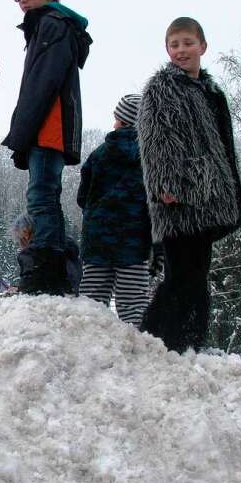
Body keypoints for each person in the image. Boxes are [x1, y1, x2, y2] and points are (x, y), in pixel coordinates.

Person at [137, 17, 241, 352]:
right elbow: (155, 139)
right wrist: (164, 185)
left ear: (203, 46)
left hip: (208, 198)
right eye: (174, 44)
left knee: (197, 277)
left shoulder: (211, 92)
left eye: (187, 43)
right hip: (178, 198)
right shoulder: (162, 88)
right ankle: (157, 342)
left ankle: (188, 343)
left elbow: (224, 147)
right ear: (167, 50)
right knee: (182, 277)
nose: (181, 50)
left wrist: (230, 194)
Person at [0, 0, 92, 295]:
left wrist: (20, 134)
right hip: (46, 125)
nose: (22, 1)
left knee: (41, 197)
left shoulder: (52, 25)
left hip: (48, 125)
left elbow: (42, 85)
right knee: (44, 195)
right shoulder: (48, 26)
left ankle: (48, 270)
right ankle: (51, 267)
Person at [76, 94, 153, 325]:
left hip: (97, 239)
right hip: (134, 242)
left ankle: (85, 344)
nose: (114, 123)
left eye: (116, 118)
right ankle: (139, 351)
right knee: (133, 304)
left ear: (122, 120)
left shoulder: (98, 155)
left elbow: (83, 197)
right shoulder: (151, 157)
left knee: (92, 300)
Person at [13, 214, 81, 295]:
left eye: (22, 238)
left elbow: (30, 283)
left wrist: (19, 290)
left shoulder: (34, 253)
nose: (22, 243)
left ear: (27, 233)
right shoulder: (65, 249)